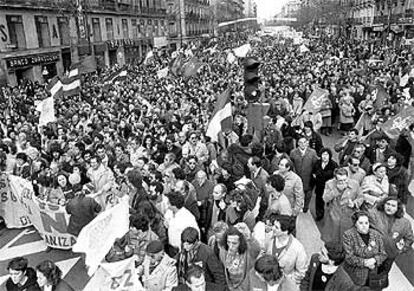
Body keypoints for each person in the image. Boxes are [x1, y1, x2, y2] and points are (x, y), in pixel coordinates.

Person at [342, 211, 387, 289]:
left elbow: (383, 254)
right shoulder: (348, 235)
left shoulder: (376, 234)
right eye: (361, 223)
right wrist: (365, 263)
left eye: (366, 223)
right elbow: (349, 257)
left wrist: (374, 260)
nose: (364, 226)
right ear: (355, 224)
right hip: (355, 275)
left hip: (372, 274)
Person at [369, 197, 414, 275]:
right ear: (383, 204)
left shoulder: (405, 223)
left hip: (389, 255)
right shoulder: (374, 214)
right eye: (388, 204)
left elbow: (409, 239)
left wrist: (400, 249)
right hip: (372, 253)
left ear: (398, 208)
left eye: (393, 206)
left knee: (381, 277)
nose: (389, 207)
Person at [262, 213, 308, 286]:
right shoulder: (269, 237)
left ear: (285, 232)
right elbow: (263, 252)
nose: (273, 228)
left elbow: (301, 273)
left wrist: (285, 280)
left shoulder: (298, 249)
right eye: (273, 225)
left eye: (276, 227)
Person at [322, 168, 363, 244]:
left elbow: (361, 197)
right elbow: (325, 198)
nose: (343, 182)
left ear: (348, 177)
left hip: (349, 215)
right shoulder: (329, 184)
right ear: (335, 179)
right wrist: (336, 190)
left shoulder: (355, 184)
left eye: (345, 180)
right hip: (334, 214)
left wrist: (354, 203)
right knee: (332, 239)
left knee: (347, 239)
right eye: (340, 180)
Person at [218, 226, 261, 290]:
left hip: (246, 288)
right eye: (228, 242)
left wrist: (249, 236)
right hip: (230, 287)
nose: (230, 246)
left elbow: (257, 248)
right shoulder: (223, 251)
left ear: (241, 242)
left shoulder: (249, 251)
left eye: (234, 243)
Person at [289, 136, 318, 213]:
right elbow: (291, 165)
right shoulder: (293, 152)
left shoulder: (312, 152)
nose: (303, 144)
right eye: (300, 142)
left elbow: (316, 164)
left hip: (309, 178)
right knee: (297, 194)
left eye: (304, 142)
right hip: (297, 177)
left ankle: (305, 208)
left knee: (308, 194)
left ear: (307, 143)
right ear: (298, 143)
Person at [165, 191, 200, 255]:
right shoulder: (169, 212)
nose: (166, 204)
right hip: (171, 247)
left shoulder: (188, 218)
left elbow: (196, 235)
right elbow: (166, 220)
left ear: (174, 205)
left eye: (168, 203)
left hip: (182, 251)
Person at [311, 148, 338, 221]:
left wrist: (320, 174)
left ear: (330, 156)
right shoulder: (317, 163)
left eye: (326, 155)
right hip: (319, 186)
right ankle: (319, 214)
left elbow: (335, 176)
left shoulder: (334, 165)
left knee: (329, 202)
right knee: (319, 201)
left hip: (329, 188)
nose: (324, 156)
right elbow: (313, 172)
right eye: (323, 154)